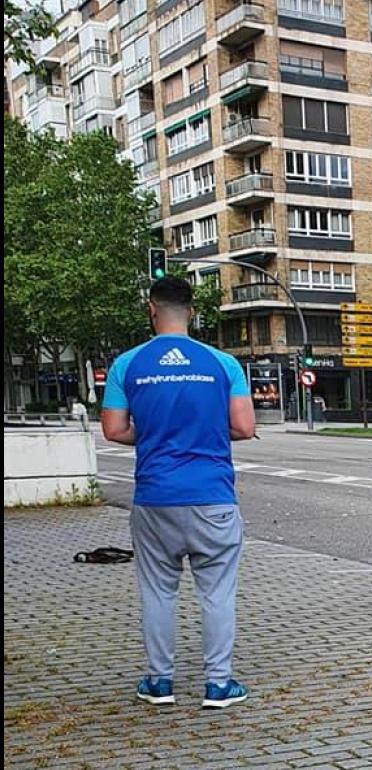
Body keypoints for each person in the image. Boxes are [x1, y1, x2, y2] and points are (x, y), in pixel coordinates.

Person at [100, 276, 256, 709]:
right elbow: (244, 427)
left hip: (155, 499)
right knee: (218, 594)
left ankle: (159, 682)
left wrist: (152, 433)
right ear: (192, 311)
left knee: (158, 592)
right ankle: (219, 685)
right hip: (214, 498)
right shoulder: (223, 363)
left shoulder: (126, 365)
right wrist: (203, 432)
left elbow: (114, 430)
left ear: (152, 309)